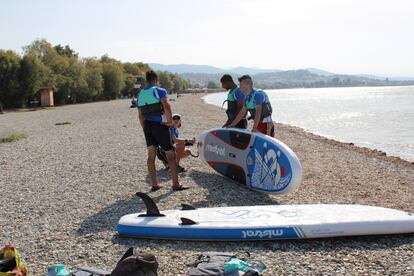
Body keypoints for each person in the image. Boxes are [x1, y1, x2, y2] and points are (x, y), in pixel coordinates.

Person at [137, 70, 189, 191]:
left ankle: (154, 185)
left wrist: (144, 128)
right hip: (160, 125)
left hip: (147, 126)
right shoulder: (159, 90)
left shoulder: (140, 94)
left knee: (151, 156)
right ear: (156, 79)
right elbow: (166, 106)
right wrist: (170, 122)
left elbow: (140, 116)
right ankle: (175, 184)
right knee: (170, 154)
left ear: (147, 80)